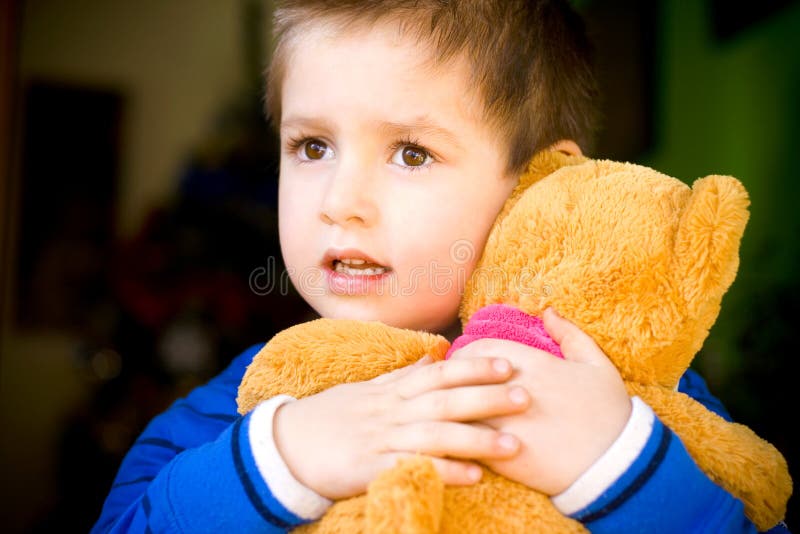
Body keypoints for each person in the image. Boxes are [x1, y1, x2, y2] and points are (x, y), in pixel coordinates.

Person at [91, 1, 790, 532]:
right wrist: (281, 457)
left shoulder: (632, 396)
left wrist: (617, 462)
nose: (341, 202)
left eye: (412, 153)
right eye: (311, 147)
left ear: (539, 182)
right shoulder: (241, 405)